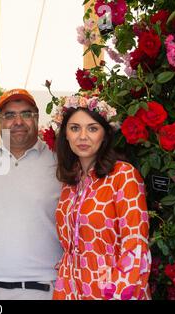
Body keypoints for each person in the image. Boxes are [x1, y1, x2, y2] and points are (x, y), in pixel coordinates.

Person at [48, 95, 151, 300]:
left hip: (112, 290)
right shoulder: (70, 184)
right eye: (75, 128)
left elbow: (135, 248)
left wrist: (117, 294)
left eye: (92, 128)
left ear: (105, 135)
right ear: (65, 135)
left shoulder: (123, 176)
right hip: (70, 288)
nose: (83, 136)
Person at [0, 89, 63, 300]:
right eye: (9, 115)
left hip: (43, 288)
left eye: (26, 114)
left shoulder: (61, 164)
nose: (18, 121)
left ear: (37, 118)